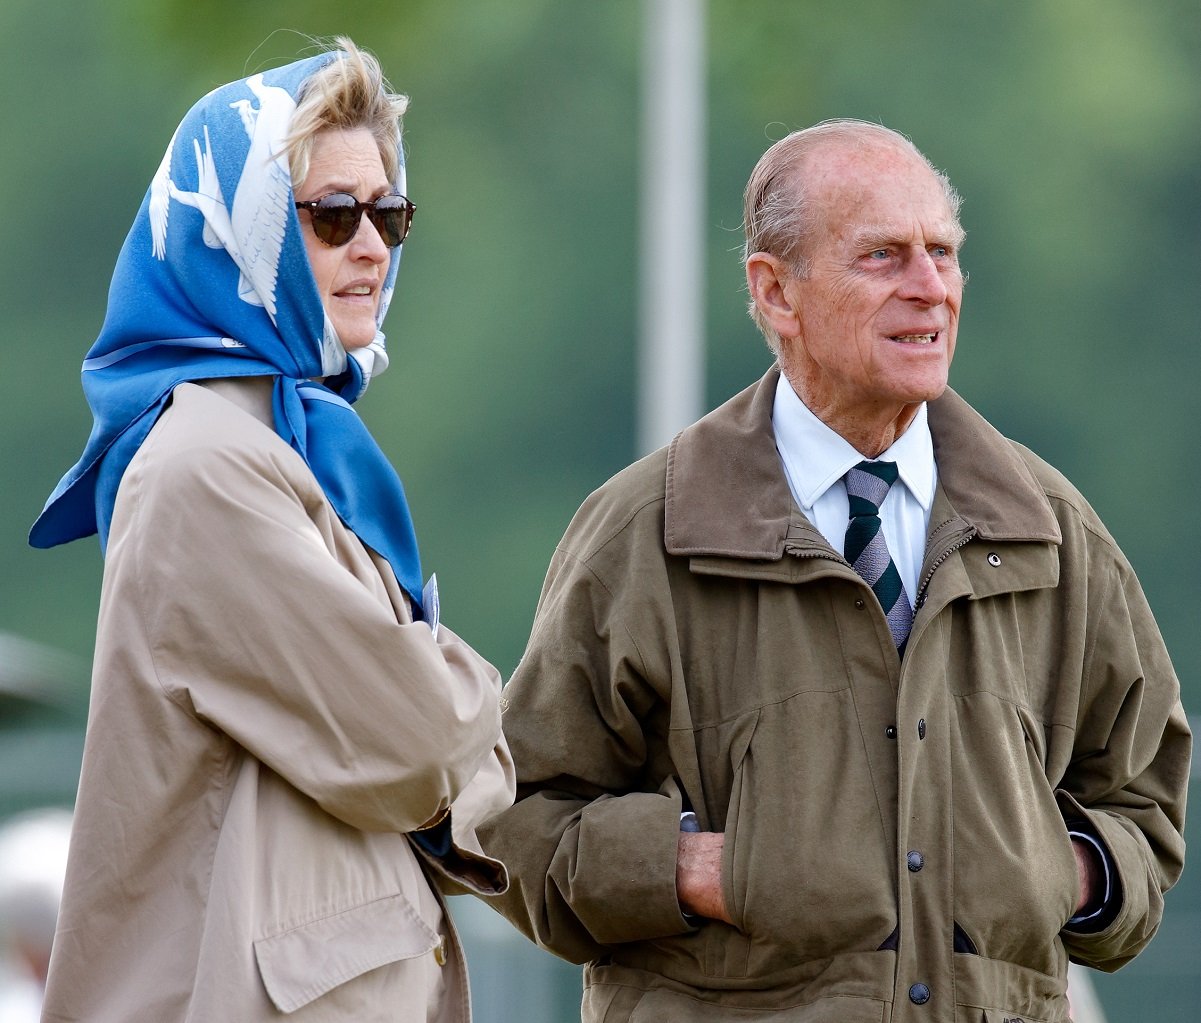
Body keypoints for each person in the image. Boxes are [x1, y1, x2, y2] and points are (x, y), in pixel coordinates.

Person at [476, 120, 1190, 1021]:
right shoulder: (643, 531)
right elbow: (516, 814)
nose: (930, 289)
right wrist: (690, 868)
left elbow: (1143, 802)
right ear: (776, 292)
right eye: (883, 257)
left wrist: (1058, 872)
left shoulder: (1051, 529)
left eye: (943, 252)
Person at [29, 39, 513, 1021]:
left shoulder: (286, 450)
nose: (373, 246)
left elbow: (421, 765)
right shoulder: (206, 465)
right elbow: (420, 745)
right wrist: (467, 702)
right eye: (333, 216)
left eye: (389, 213)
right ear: (234, 230)